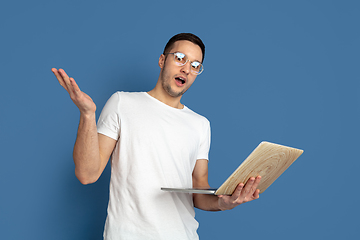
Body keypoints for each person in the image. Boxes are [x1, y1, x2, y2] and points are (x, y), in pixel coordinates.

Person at [52, 33, 261, 240]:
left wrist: (224, 203)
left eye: (195, 65)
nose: (186, 69)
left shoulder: (200, 124)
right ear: (162, 60)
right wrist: (87, 114)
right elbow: (87, 174)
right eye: (180, 58)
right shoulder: (122, 103)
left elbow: (199, 191)